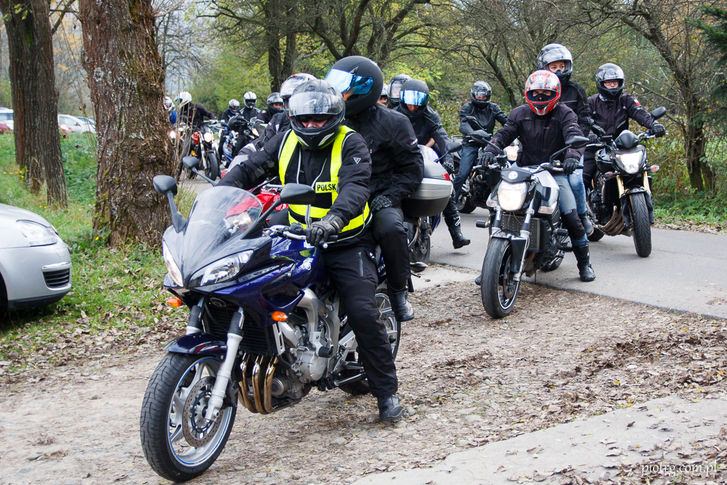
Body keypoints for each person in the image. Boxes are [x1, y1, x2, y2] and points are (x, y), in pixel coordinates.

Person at [217, 79, 403, 422]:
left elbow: (356, 186)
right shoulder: (285, 139)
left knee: (363, 311)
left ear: (334, 116)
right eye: (305, 119)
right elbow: (251, 167)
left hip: (345, 239)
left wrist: (333, 220)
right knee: (255, 283)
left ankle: (386, 392)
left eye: (319, 119)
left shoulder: (352, 142)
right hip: (295, 233)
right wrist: (217, 194)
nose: (312, 125)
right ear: (294, 117)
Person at [325, 56, 423, 322]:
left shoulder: (394, 123)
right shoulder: (325, 117)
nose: (340, 92)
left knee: (391, 229)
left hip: (378, 195)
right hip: (331, 195)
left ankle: (398, 291)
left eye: (346, 87)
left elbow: (412, 170)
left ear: (365, 89)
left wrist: (389, 197)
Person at [482, 70, 596, 282]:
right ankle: (492, 265)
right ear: (528, 94)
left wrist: (572, 155)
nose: (540, 98)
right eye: (536, 93)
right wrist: (490, 149)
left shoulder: (565, 113)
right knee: (498, 208)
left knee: (571, 216)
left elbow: (573, 133)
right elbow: (504, 134)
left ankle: (584, 264)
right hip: (525, 170)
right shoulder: (519, 113)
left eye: (546, 94)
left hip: (555, 171)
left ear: (556, 94)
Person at [397, 78, 470, 249]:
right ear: (401, 97)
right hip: (400, 157)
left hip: (427, 155)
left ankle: (456, 233)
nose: (413, 106)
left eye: (418, 101)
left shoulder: (430, 115)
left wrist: (449, 160)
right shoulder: (394, 113)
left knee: (448, 188)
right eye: (409, 100)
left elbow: (442, 137)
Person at [536, 43, 592, 235]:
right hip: (545, 144)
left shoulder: (576, 90)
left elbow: (584, 119)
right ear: (544, 67)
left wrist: (578, 141)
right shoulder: (538, 88)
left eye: (562, 66)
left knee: (575, 180)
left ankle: (582, 216)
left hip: (571, 145)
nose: (559, 70)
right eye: (554, 67)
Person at [583, 63, 666, 193]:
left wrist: (654, 125)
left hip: (622, 147)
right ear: (601, 83)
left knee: (641, 169)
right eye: (608, 83)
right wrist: (589, 135)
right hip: (596, 146)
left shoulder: (626, 100)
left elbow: (640, 113)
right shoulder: (591, 102)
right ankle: (582, 211)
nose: (612, 85)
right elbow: (583, 121)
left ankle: (646, 201)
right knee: (583, 176)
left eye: (615, 83)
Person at [454, 81, 507, 203]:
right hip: (471, 143)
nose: (481, 97)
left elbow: (507, 122)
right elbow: (463, 124)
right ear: (474, 94)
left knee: (503, 168)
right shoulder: (468, 107)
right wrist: (472, 133)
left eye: (483, 95)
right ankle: (451, 203)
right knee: (463, 173)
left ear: (488, 95)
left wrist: (516, 127)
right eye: (479, 95)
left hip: (489, 144)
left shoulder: (493, 108)